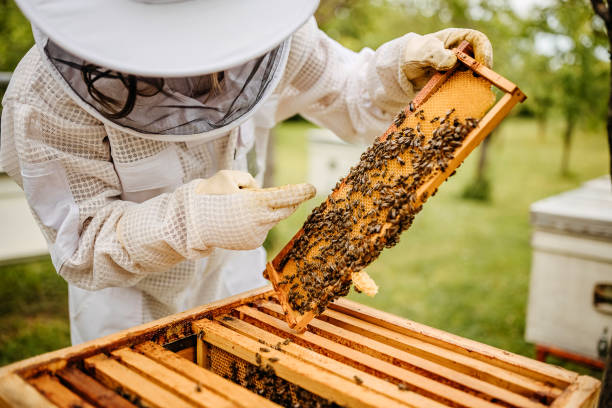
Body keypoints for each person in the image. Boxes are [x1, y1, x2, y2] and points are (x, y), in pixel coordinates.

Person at [1, 0, 493, 345]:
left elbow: (344, 91)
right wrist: (191, 218)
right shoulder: (45, 101)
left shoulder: (269, 36)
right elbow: (82, 244)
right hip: (129, 312)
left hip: (239, 282)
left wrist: (400, 70)